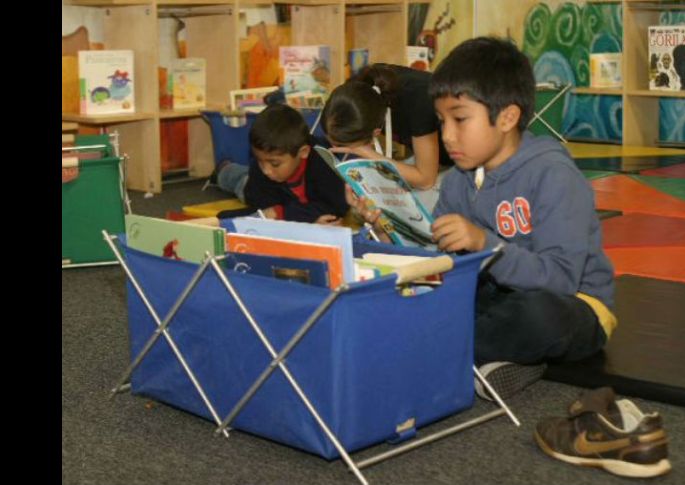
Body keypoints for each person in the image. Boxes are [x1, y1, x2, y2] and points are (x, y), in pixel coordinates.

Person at [351, 37, 617, 400]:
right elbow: (438, 261)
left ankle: (432, 350)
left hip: (573, 305)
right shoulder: (460, 179)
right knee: (426, 295)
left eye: (460, 120)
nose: (446, 135)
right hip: (495, 296)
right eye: (442, 120)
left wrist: (482, 243)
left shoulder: (553, 174)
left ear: (507, 116)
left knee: (536, 315)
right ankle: (490, 360)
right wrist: (386, 229)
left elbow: (561, 279)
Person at [320, 63, 453, 211]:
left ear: (375, 134)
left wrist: (369, 154)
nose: (338, 149)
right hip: (427, 152)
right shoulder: (356, 93)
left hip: (462, 157)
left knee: (417, 210)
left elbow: (426, 179)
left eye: (345, 147)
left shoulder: (417, 102)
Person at [214, 103, 348, 224]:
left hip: (284, 195)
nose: (266, 170)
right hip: (254, 187)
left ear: (303, 152)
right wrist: (303, 217)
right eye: (260, 160)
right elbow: (263, 211)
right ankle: (224, 168)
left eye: (275, 164)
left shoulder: (324, 160)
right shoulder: (262, 169)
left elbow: (337, 207)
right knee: (242, 183)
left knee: (244, 178)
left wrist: (282, 213)